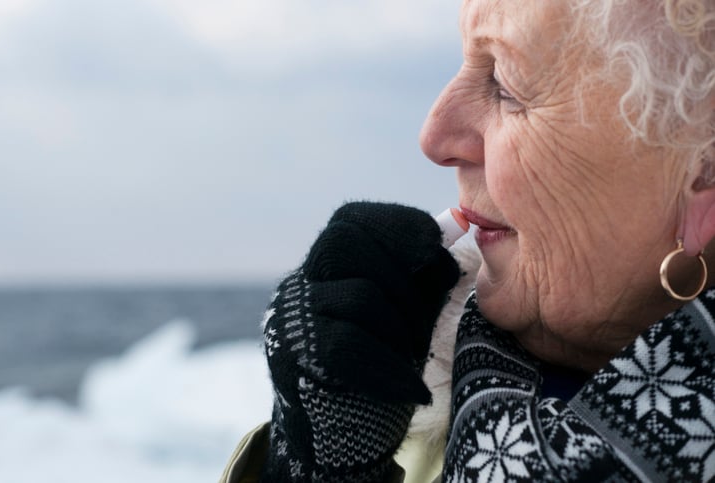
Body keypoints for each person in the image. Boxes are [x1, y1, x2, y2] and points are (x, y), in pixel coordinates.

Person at [220, 0, 715, 481]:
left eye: (505, 84)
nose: (434, 135)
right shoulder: (408, 405)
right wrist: (300, 466)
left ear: (705, 174)